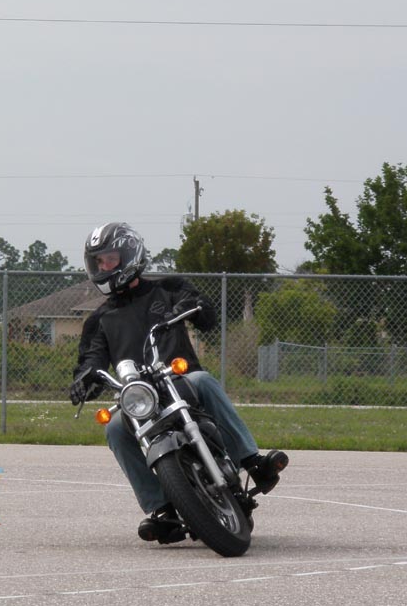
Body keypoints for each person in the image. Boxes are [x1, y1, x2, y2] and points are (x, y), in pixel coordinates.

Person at [70, 221, 287, 544]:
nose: (104, 267)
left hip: (180, 380)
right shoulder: (99, 319)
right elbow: (91, 361)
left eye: (110, 259)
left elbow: (206, 315)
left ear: (129, 256)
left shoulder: (169, 288)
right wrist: (83, 380)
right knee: (114, 427)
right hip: (141, 396)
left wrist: (192, 306)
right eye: (99, 262)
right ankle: (161, 508)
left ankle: (252, 460)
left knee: (204, 380)